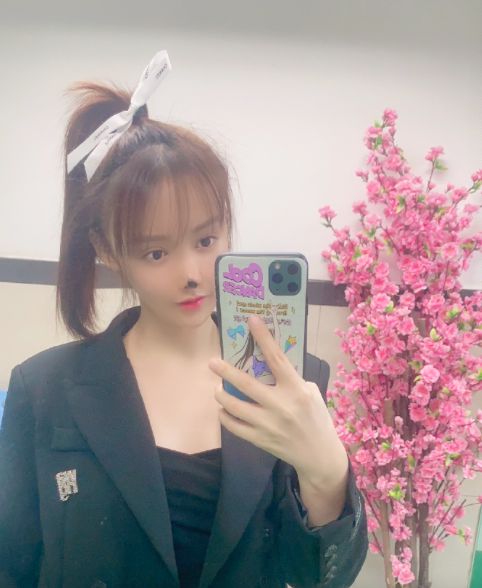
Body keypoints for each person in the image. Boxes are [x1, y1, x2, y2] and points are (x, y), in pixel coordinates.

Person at [0, 51, 368, 588]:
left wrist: (327, 474)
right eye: (156, 253)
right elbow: (13, 563)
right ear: (107, 249)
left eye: (206, 239)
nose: (193, 274)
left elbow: (315, 576)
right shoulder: (44, 388)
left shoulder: (293, 379)